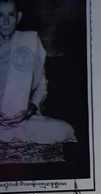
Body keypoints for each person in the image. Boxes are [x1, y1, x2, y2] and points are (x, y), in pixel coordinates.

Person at [0, 0, 76, 157]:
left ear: (18, 17)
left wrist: (30, 109)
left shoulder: (30, 42)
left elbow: (42, 86)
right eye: (0, 15)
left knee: (65, 130)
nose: (6, 21)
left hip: (22, 120)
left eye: (11, 15)